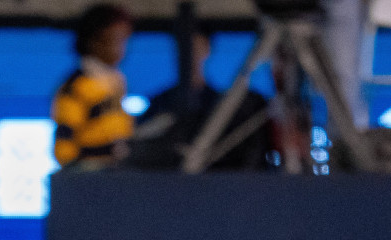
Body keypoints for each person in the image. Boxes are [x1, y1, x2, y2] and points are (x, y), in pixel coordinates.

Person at [129, 25, 270, 171]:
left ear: (207, 50)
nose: (190, 54)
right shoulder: (159, 103)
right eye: (183, 47)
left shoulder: (222, 106)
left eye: (195, 47)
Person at [51, 3, 135, 170]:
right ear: (94, 41)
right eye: (115, 40)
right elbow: (64, 146)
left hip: (117, 174)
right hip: (88, 179)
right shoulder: (77, 87)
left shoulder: (115, 81)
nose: (122, 49)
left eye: (125, 40)